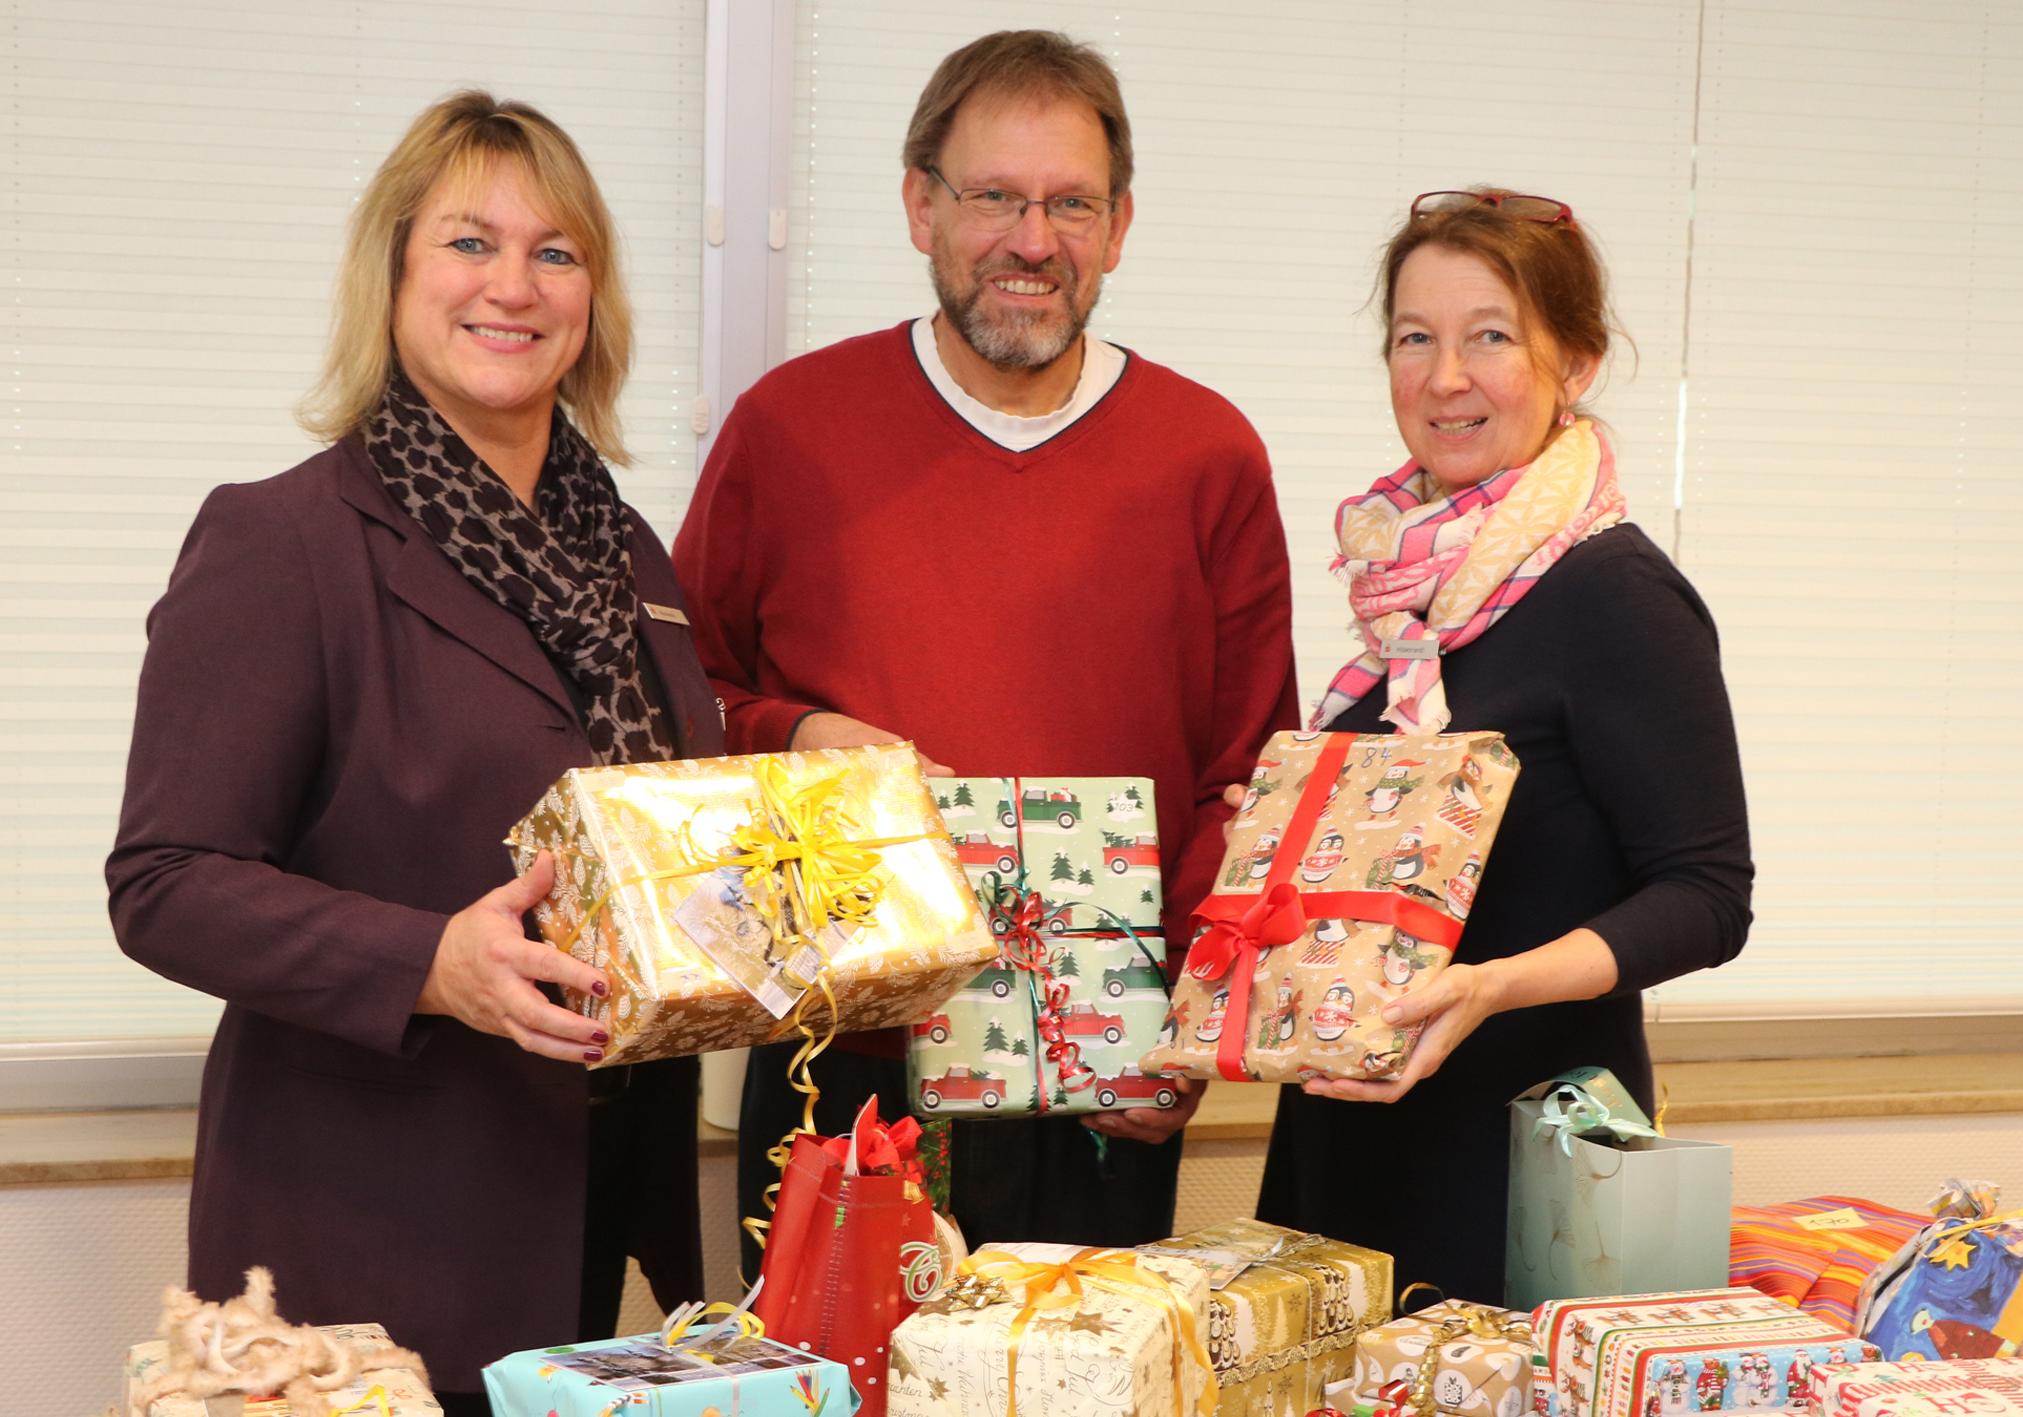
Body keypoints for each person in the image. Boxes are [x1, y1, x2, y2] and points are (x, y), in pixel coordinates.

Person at [106, 93, 723, 1413]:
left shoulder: (628, 555)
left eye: (555, 251)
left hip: (600, 1217)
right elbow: (163, 878)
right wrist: (429, 964)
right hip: (369, 1228)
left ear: (592, 298)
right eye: (467, 243)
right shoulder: (286, 541)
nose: (513, 284)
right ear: (391, 273)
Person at [672, 30, 1300, 1261]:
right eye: (993, 197)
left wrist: (1189, 1018)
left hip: (1104, 1075)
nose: (1031, 240)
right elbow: (683, 707)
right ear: (919, 206)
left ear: (1118, 227)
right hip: (842, 1069)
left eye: (1070, 203)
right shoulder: (789, 429)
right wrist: (801, 733)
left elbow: (1251, 778)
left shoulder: (1205, 454)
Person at [1253, 189, 1753, 1301]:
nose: (1443, 377)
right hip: (1346, 1148)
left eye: (1488, 336)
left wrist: (1490, 987)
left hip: (1515, 1162)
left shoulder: (1613, 593)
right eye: (1413, 338)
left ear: (1572, 361)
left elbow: (1707, 896)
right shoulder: (1402, 598)